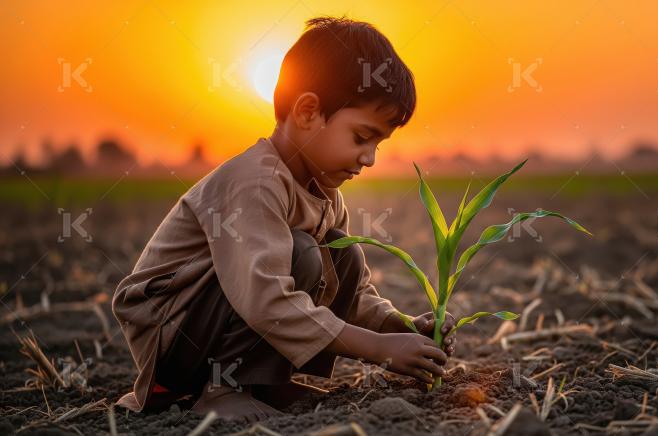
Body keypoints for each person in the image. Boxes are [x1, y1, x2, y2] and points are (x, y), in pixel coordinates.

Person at [112, 16, 457, 422]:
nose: (370, 158)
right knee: (303, 252)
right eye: (362, 137)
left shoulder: (323, 192)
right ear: (308, 111)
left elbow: (352, 289)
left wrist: (394, 327)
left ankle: (262, 382)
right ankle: (222, 389)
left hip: (212, 320)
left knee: (342, 255)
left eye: (379, 143)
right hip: (171, 333)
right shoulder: (255, 183)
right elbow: (263, 296)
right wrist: (378, 350)